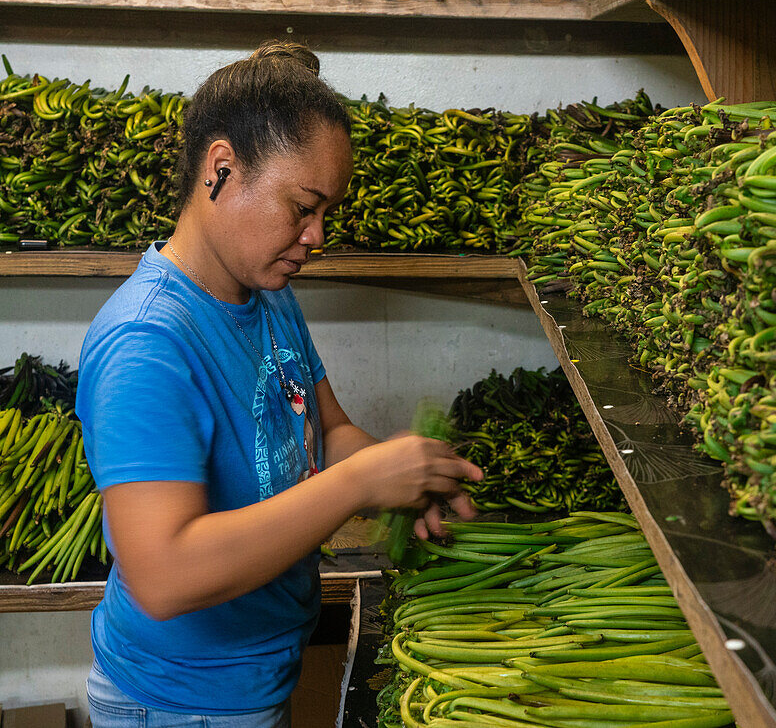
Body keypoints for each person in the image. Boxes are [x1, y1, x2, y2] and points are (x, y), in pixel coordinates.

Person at [75, 42, 481, 726]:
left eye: (327, 212)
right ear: (222, 168)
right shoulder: (148, 344)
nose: (317, 235)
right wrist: (357, 486)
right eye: (302, 207)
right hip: (180, 707)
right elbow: (164, 573)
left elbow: (327, 430)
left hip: (253, 685)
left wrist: (402, 474)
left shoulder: (267, 294)